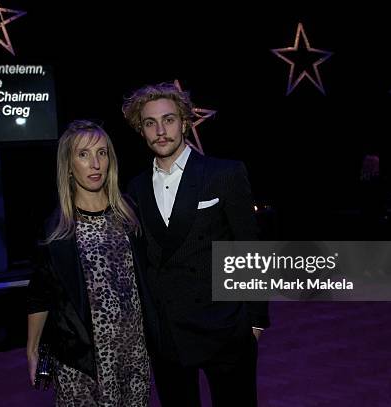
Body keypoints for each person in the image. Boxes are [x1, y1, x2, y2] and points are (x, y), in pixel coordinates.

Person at [123, 82, 270, 406]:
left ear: (185, 122)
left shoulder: (224, 173)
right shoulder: (134, 188)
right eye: (150, 123)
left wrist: (256, 320)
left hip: (225, 326)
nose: (161, 130)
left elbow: (250, 246)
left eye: (169, 119)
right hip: (169, 333)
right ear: (141, 129)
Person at [26, 120, 152, 406]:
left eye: (102, 153)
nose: (95, 163)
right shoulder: (57, 229)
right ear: (69, 165)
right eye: (83, 154)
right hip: (80, 363)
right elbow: (39, 295)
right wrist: (32, 350)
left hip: (134, 357)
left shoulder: (130, 215)